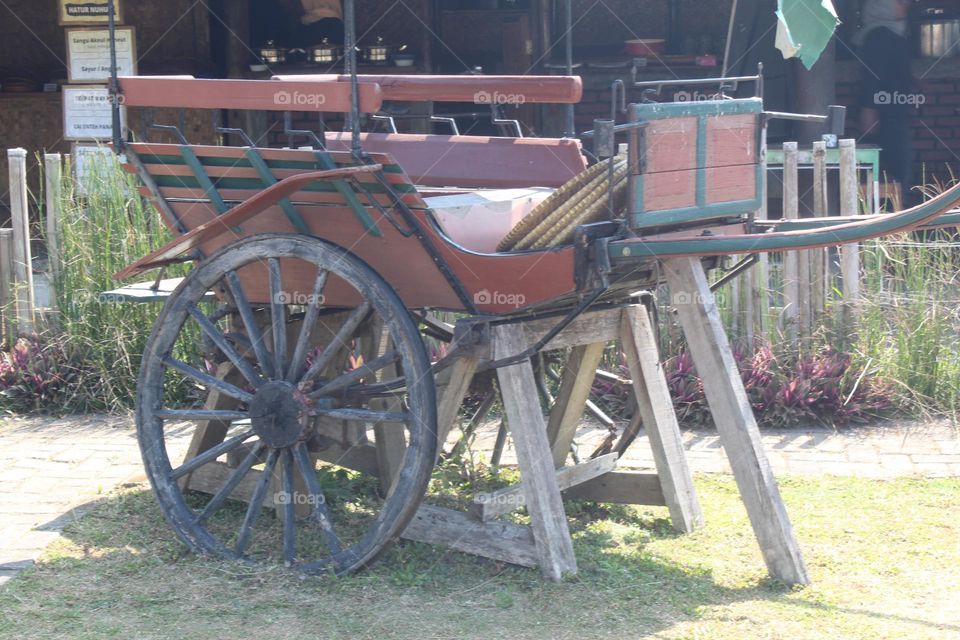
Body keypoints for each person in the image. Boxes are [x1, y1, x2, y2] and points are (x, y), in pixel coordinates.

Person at [855, 0, 916, 206]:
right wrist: (869, 112)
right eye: (898, 2)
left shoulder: (893, 34)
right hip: (886, 120)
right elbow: (873, 79)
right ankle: (893, 228)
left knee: (896, 177)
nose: (905, 5)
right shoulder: (880, 36)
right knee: (894, 177)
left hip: (892, 116)